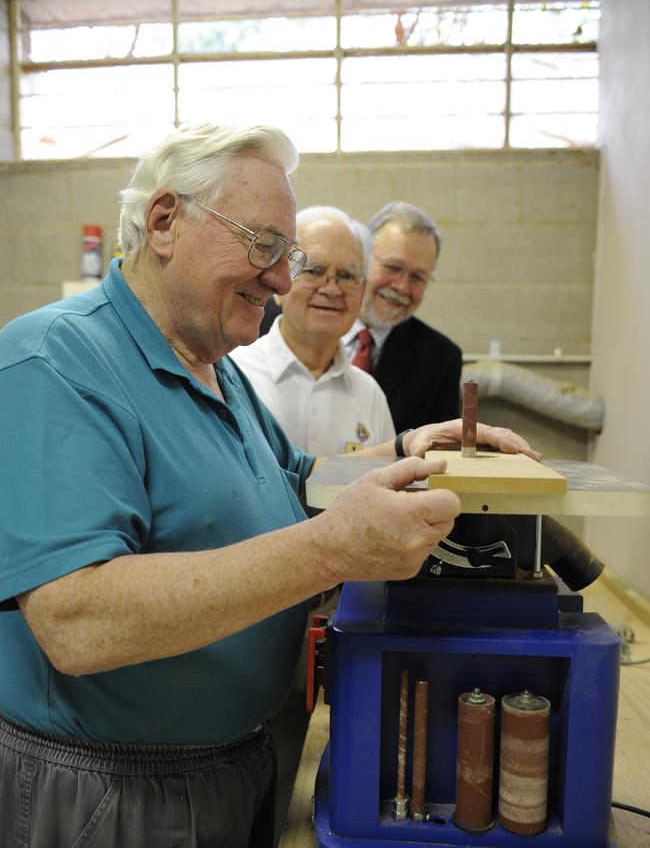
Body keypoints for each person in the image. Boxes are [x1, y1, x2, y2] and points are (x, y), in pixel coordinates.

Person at [0, 122, 538, 848]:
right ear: (164, 222)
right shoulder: (54, 361)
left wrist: (411, 446)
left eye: (285, 255)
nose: (285, 280)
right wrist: (332, 551)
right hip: (114, 791)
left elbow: (298, 476)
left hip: (230, 764)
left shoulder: (212, 364)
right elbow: (76, 621)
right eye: (264, 247)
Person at [231, 205, 394, 455]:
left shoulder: (369, 393)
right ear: (280, 281)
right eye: (314, 271)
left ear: (362, 291)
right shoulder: (235, 375)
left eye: (347, 276)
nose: (331, 289)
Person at [343, 201, 463, 432]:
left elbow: (437, 451)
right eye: (392, 267)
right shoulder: (300, 321)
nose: (402, 287)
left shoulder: (440, 358)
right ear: (363, 257)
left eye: (417, 277)